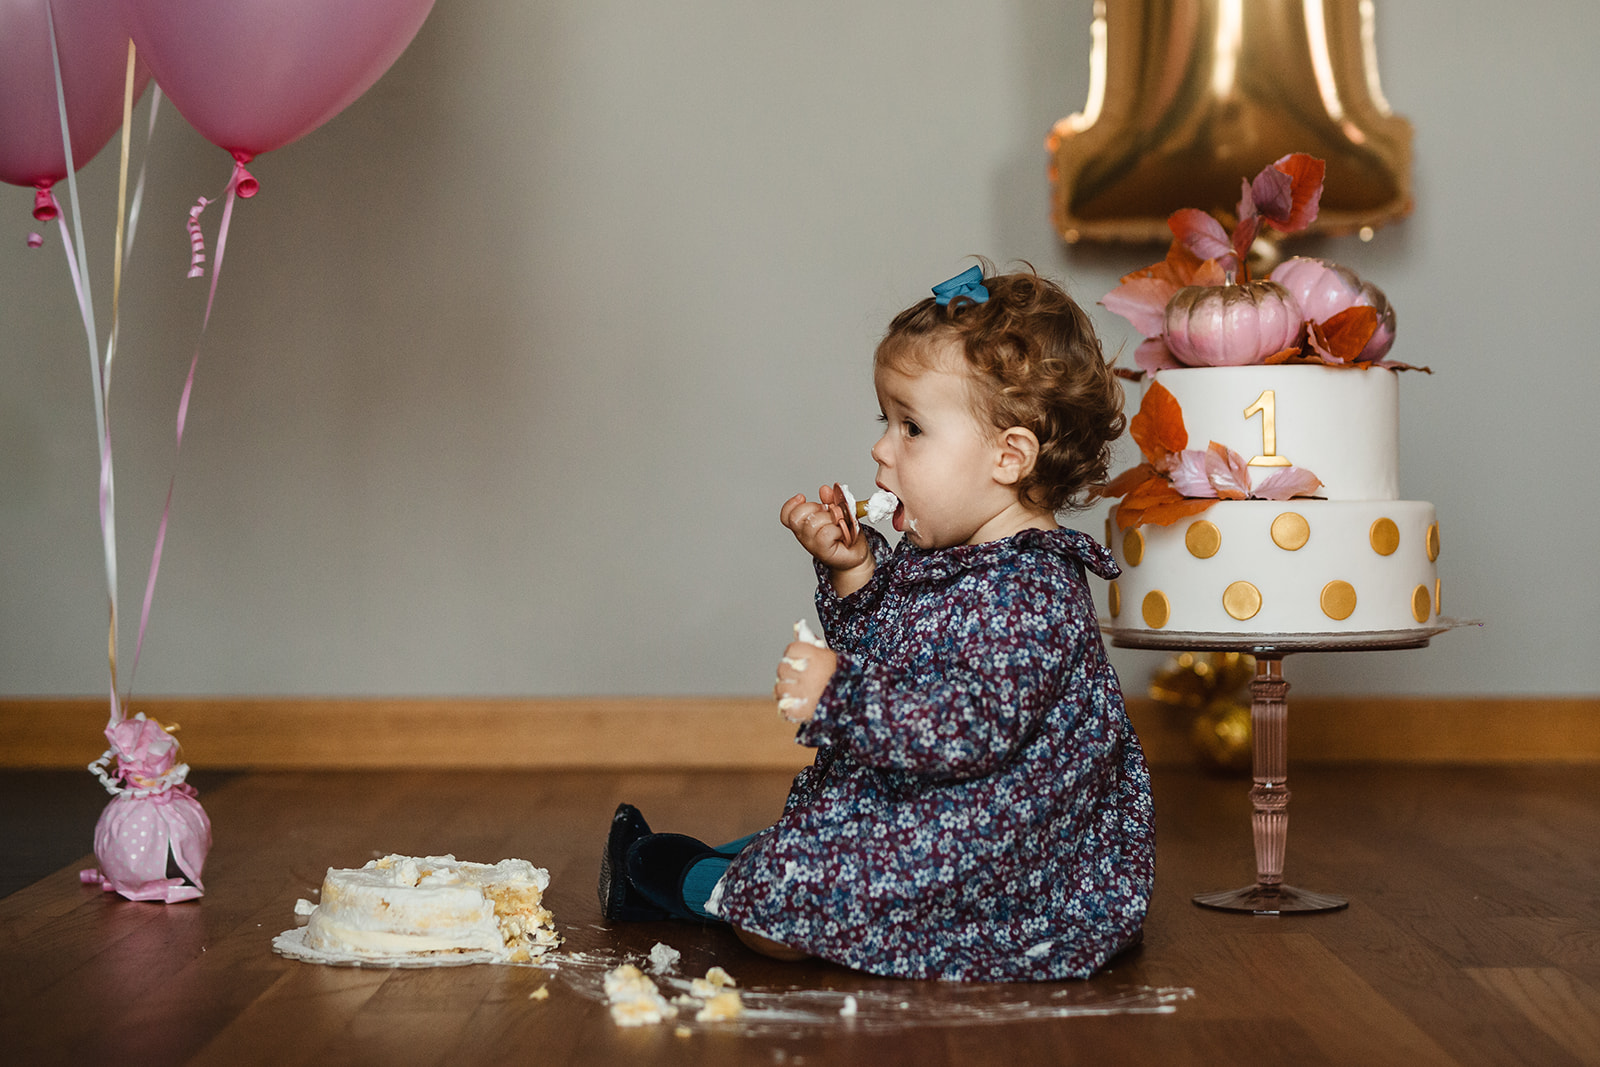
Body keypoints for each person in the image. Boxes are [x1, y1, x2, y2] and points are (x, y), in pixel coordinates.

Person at [598, 262, 1154, 981]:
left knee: (786, 912)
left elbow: (966, 725)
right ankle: (755, 860)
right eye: (884, 421)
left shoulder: (1033, 589)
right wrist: (854, 570)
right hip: (939, 817)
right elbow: (896, 658)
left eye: (912, 428)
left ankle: (689, 884)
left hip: (1007, 857)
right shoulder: (958, 556)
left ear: (1008, 455)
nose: (881, 449)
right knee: (824, 844)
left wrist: (838, 694)